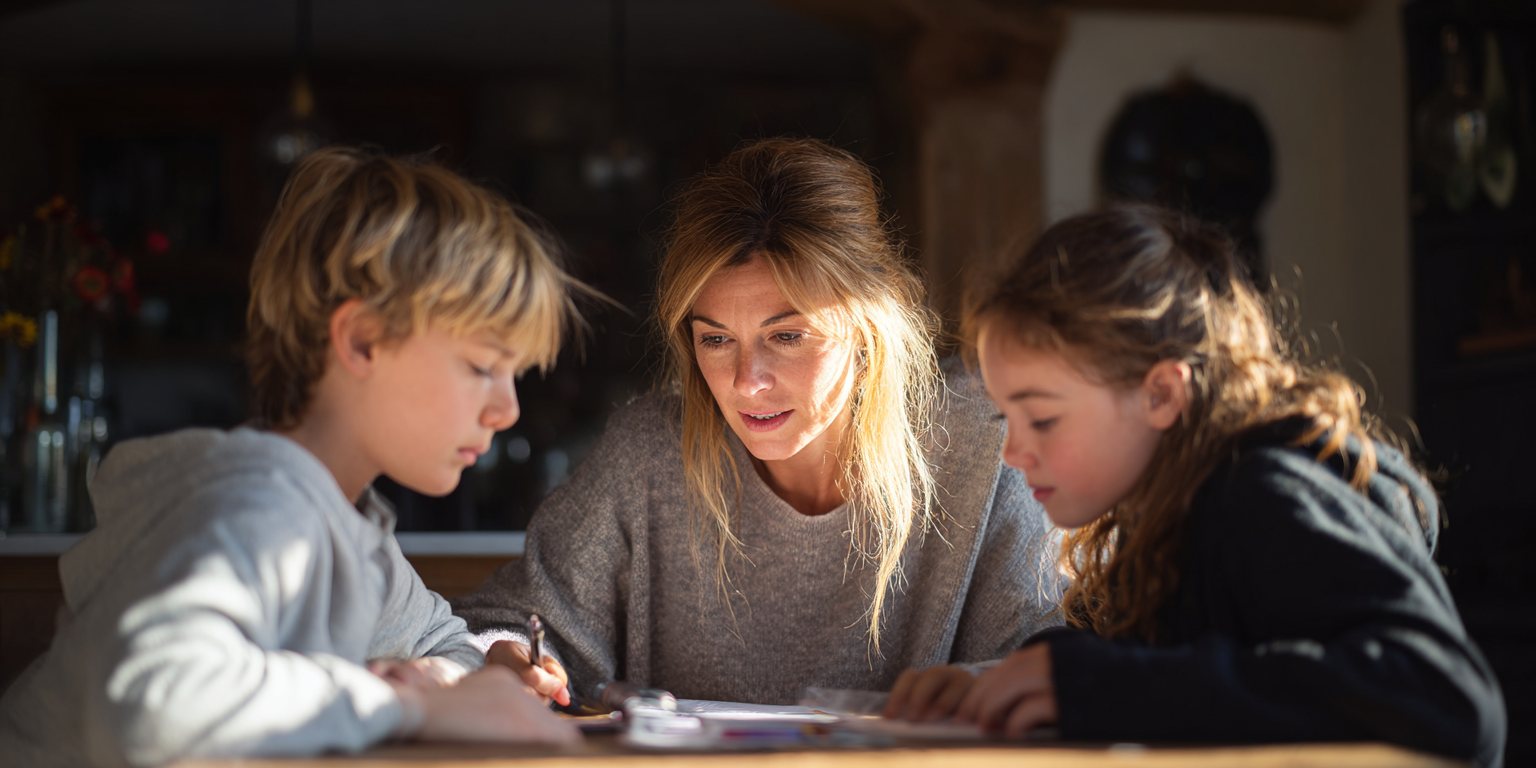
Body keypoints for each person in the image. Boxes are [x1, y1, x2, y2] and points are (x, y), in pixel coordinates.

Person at [0, 148, 585, 767]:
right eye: (481, 368)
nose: (508, 410)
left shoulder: (353, 526)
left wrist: (471, 671)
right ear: (361, 341)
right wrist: (408, 707)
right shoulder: (258, 502)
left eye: (513, 375)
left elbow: (440, 641)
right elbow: (151, 705)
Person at [883, 204, 1507, 766]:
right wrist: (1004, 682)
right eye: (1006, 419)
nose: (1014, 453)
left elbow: (1450, 700)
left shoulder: (1262, 495)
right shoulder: (1159, 521)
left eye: (1042, 418)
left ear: (1161, 394)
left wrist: (1102, 686)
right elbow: (1170, 677)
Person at [452, 137, 1063, 706]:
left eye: (788, 335)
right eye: (716, 340)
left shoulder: (988, 443)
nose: (747, 381)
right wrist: (506, 660)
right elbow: (512, 625)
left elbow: (1049, 660)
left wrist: (986, 690)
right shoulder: (649, 451)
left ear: (869, 325)